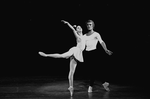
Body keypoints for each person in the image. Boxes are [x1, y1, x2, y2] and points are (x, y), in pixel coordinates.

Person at [39, 20, 86, 96]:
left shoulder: (84, 37)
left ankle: (71, 87)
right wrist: (68, 24)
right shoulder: (78, 36)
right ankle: (46, 55)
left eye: (80, 27)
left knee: (71, 72)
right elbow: (72, 29)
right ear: (77, 31)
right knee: (62, 55)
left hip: (78, 53)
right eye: (78, 28)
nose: (79, 28)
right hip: (75, 50)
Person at [83, 20, 112, 92]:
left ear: (93, 25)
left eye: (90, 24)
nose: (88, 26)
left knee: (93, 70)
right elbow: (82, 46)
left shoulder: (96, 34)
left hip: (94, 53)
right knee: (93, 70)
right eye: (87, 25)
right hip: (87, 54)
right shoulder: (84, 36)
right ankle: (104, 83)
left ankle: (90, 86)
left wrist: (106, 49)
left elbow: (101, 42)